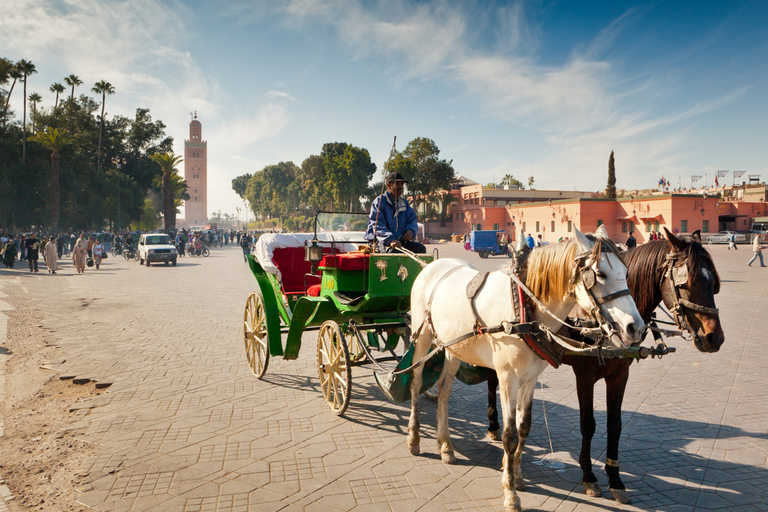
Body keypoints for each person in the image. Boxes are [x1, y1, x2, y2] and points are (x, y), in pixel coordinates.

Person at [365, 172, 425, 254]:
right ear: (388, 185)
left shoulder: (404, 203)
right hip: (381, 241)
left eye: (402, 184)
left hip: (399, 242)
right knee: (392, 252)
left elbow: (412, 219)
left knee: (420, 248)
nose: (401, 187)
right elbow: (378, 224)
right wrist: (391, 240)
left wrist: (410, 231)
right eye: (397, 184)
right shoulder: (379, 202)